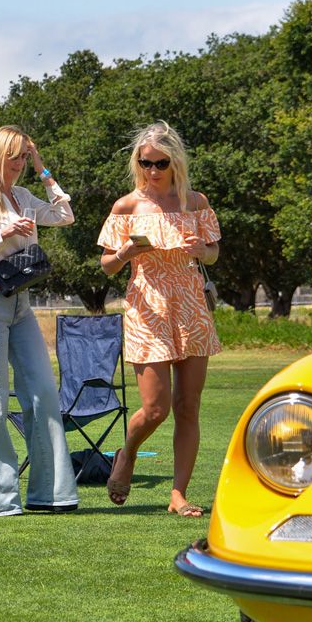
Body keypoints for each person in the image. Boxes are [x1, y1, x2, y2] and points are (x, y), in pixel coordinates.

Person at [98, 121, 220, 517]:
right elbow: (106, 267)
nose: (152, 170)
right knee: (155, 408)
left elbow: (214, 253)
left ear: (174, 161)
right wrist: (125, 255)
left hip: (190, 306)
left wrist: (202, 250)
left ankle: (178, 493)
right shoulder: (126, 207)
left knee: (189, 406)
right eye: (145, 162)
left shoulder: (196, 203)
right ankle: (127, 452)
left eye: (160, 163)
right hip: (146, 308)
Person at [0, 126, 78, 516]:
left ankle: (52, 494)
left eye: (25, 156)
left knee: (43, 394)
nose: (20, 163)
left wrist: (44, 169)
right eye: (16, 156)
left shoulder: (24, 196)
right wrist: (3, 234)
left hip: (21, 303)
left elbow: (64, 214)